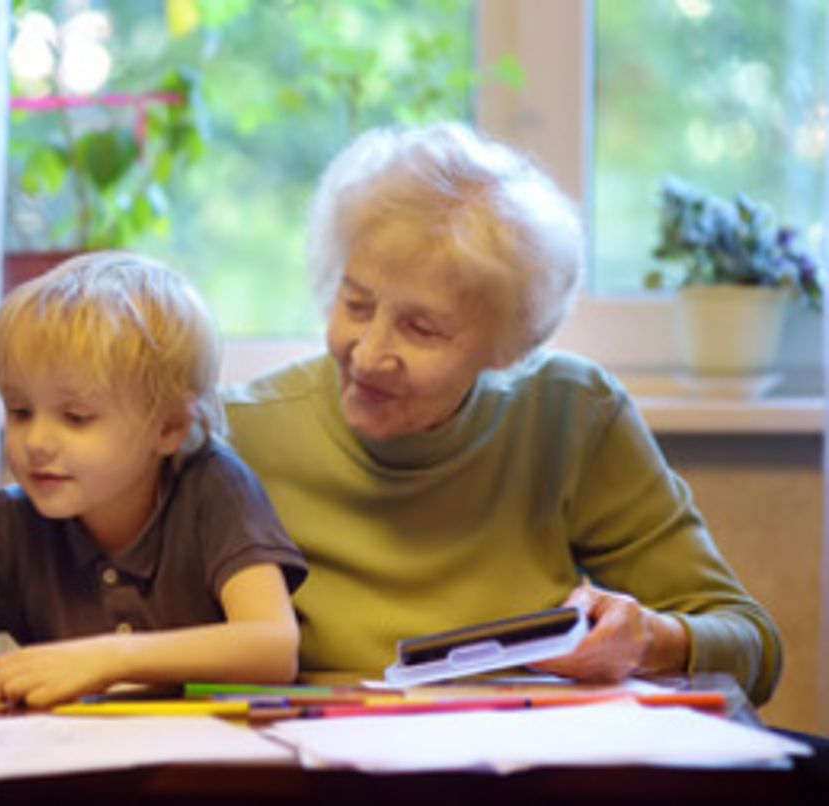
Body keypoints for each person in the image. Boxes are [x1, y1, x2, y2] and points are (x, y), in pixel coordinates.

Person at [222, 121, 782, 707]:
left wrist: (652, 640)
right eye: (355, 303)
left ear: (508, 344)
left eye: (422, 328)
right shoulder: (240, 434)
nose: (368, 354)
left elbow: (754, 647)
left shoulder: (572, 415)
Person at [0, 251, 307, 708]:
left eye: (76, 416)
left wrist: (110, 659)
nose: (36, 440)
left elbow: (272, 646)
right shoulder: (14, 522)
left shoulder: (214, 489)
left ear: (170, 427)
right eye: (20, 411)